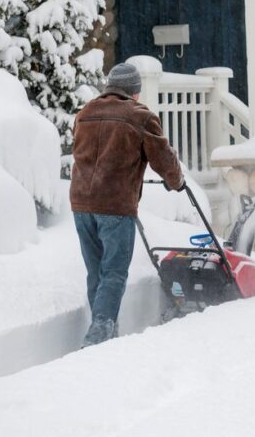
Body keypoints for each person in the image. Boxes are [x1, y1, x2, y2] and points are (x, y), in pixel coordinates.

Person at [70, 62, 184, 347]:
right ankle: (98, 336)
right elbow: (163, 158)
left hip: (81, 203)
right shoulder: (141, 116)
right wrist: (176, 180)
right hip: (114, 205)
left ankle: (107, 332)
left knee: (97, 271)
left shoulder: (85, 113)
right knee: (115, 272)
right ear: (134, 91)